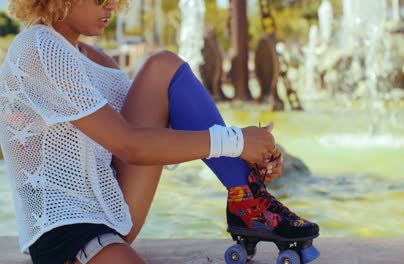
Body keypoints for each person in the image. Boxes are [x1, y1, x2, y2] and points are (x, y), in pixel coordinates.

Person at [0, 0, 319, 263]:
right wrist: (237, 142)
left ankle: (246, 198)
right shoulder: (37, 47)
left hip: (110, 211)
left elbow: (161, 129)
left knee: (163, 66)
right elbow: (131, 146)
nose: (112, 5)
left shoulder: (94, 60)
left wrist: (248, 159)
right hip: (64, 232)